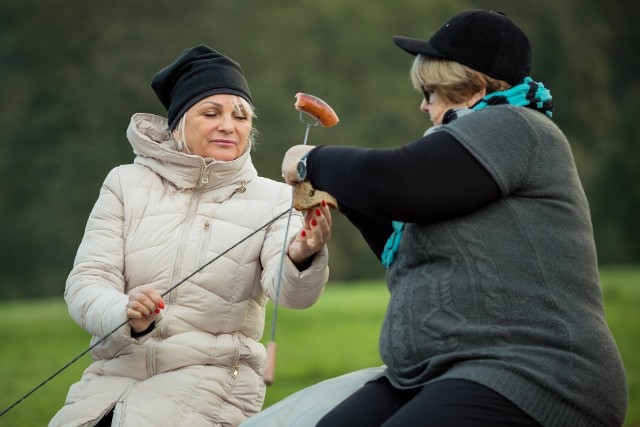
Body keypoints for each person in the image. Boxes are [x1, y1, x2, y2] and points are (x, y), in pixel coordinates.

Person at [280, 9, 627, 427]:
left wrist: (311, 162)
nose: (422, 105)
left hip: (536, 374)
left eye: (430, 92)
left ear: (473, 91)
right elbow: (403, 246)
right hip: (439, 371)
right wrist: (344, 197)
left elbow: (398, 183)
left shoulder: (517, 127)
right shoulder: (463, 160)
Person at [49, 44, 332, 427]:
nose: (228, 125)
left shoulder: (276, 199)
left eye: (241, 115)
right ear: (178, 123)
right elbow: (86, 282)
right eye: (211, 113)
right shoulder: (124, 183)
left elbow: (293, 296)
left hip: (212, 384)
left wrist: (303, 256)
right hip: (111, 378)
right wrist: (124, 312)